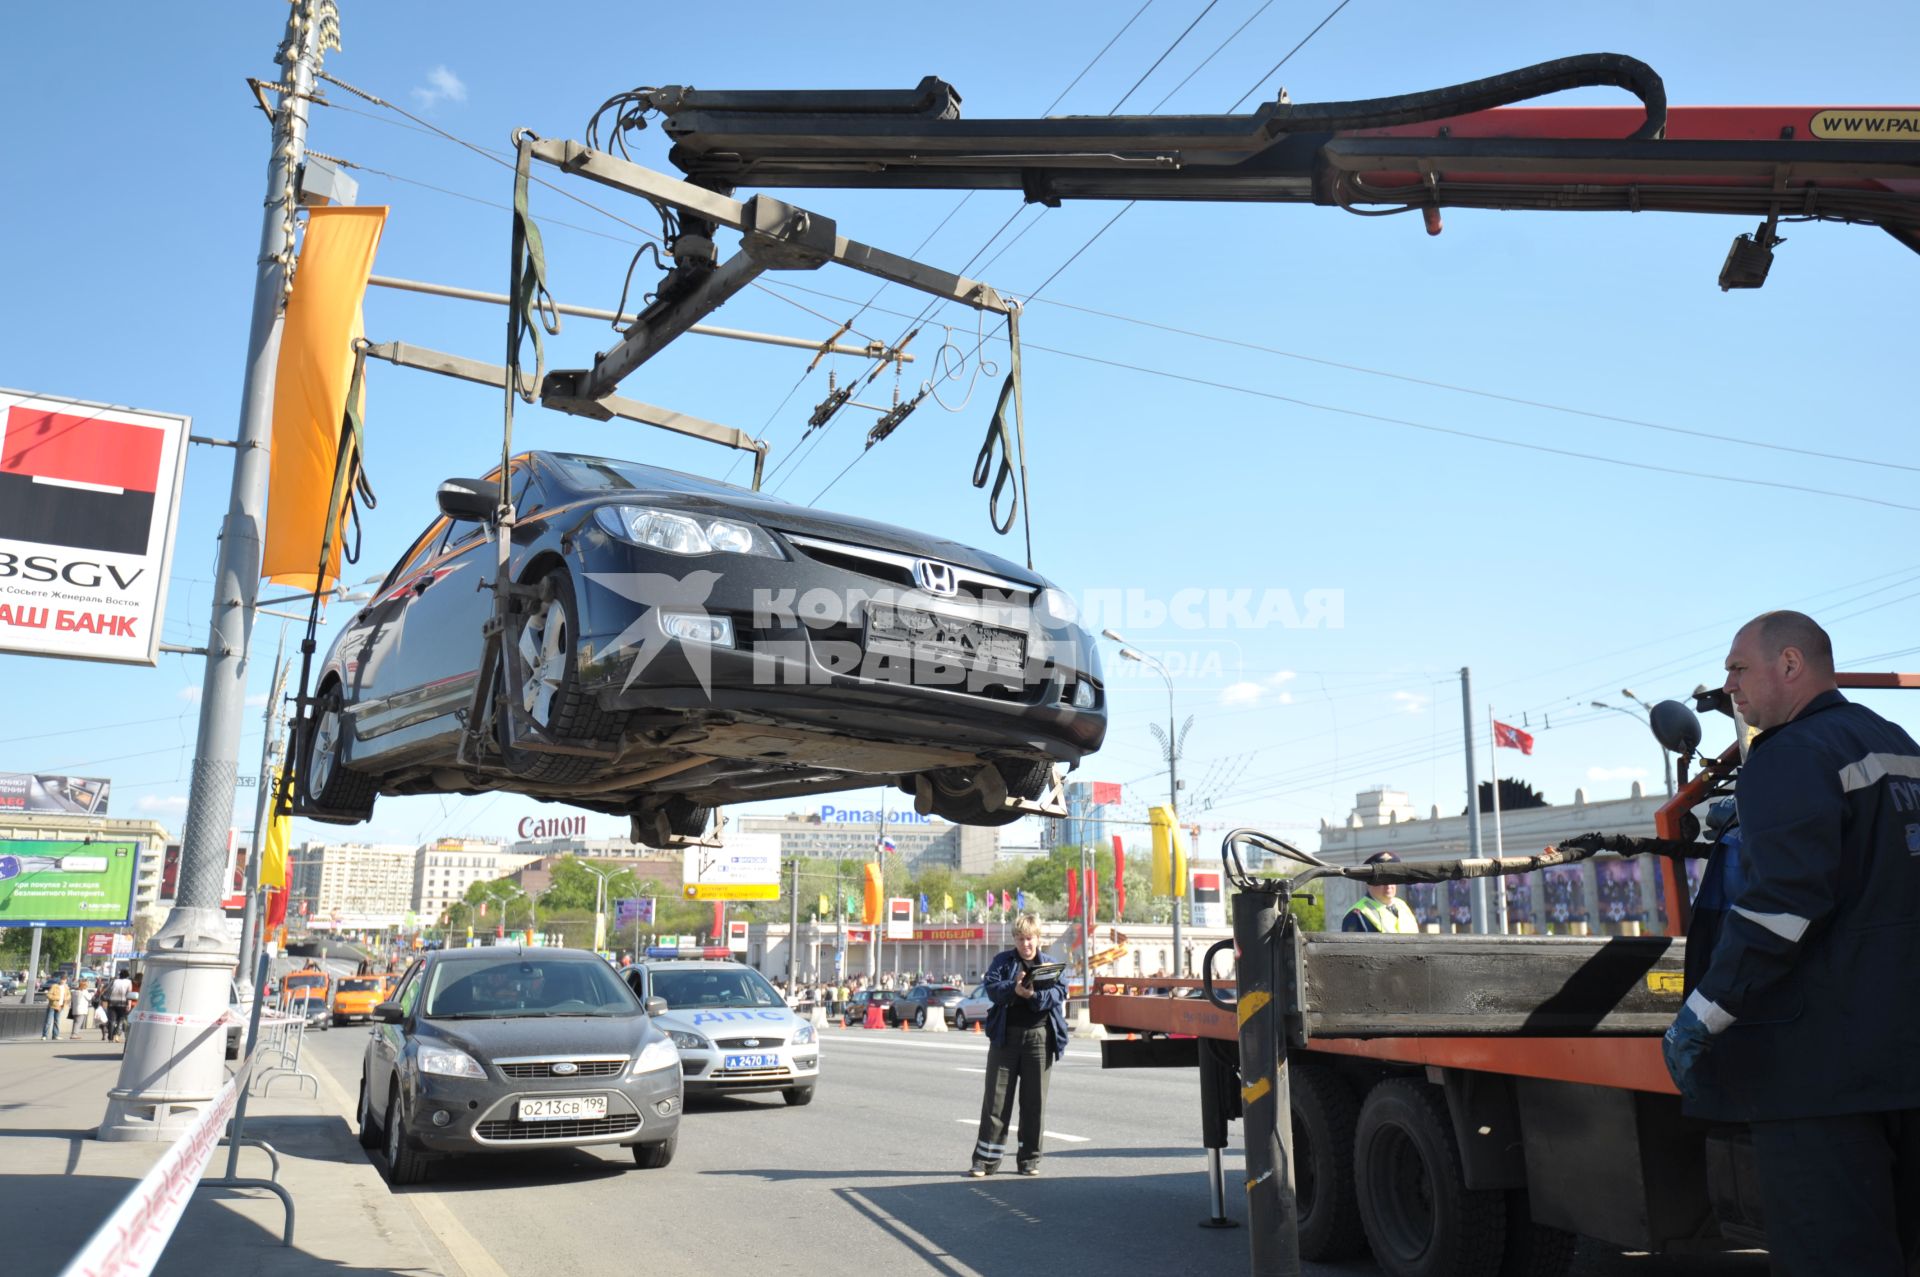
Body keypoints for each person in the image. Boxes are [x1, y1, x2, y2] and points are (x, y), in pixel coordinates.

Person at [1663, 611, 1920, 1276]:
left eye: (1738, 667)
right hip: (1899, 1060)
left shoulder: (1789, 755)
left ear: (1790, 665)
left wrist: (1702, 1015)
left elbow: (1780, 910)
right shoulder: (1894, 741)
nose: (1728, 686)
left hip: (1816, 1076)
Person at [968, 914, 1067, 1178]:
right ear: (1014, 939)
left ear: (1038, 938)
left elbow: (1060, 993)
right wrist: (1014, 988)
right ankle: (985, 1161)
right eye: (1021, 939)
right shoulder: (1003, 962)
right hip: (1005, 1038)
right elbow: (991, 988)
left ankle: (1029, 1160)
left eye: (1030, 938)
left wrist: (1033, 995)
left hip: (1039, 1038)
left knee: (1034, 1101)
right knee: (996, 1100)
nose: (1026, 944)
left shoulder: (1049, 964)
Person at [1342, 851, 1419, 933]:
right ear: (1369, 882)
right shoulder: (1357, 915)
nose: (1388, 885)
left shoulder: (1402, 905)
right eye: (1382, 880)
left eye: (1393, 878)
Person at [104, 968, 133, 1042]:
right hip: (122, 1003)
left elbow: (107, 990)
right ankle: (116, 1035)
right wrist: (129, 1004)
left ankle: (110, 1037)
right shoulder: (129, 982)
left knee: (111, 1020)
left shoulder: (114, 981)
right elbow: (129, 994)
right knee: (121, 1019)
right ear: (127, 976)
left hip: (111, 1002)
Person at [41, 975, 69, 1040]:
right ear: (60, 980)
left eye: (64, 980)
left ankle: (55, 1035)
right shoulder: (55, 986)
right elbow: (48, 995)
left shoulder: (66, 988)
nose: (63, 981)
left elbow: (69, 995)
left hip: (60, 1006)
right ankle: (44, 1035)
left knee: (57, 1021)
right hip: (53, 1006)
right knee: (48, 1021)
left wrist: (65, 999)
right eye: (62, 979)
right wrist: (57, 998)